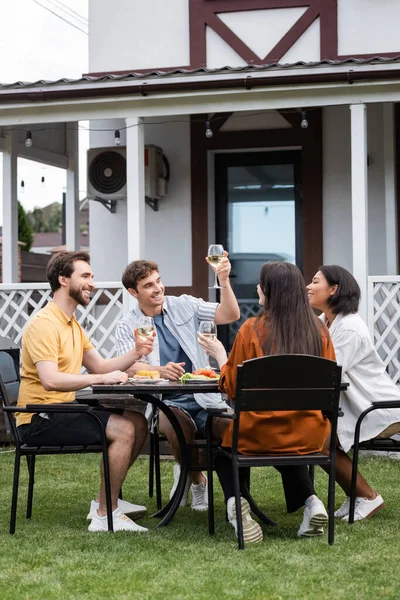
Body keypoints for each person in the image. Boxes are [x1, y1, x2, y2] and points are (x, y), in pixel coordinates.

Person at [16, 251, 155, 533]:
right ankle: (106, 515)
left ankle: (107, 500)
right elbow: (50, 380)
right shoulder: (45, 324)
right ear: (63, 279)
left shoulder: (72, 324)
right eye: (86, 276)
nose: (93, 283)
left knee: (137, 422)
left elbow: (100, 364)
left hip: (62, 411)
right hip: (38, 419)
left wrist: (136, 352)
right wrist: (101, 378)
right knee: (124, 429)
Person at [198, 261, 335, 544]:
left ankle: (236, 506)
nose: (258, 288)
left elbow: (232, 388)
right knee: (286, 442)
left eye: (261, 284)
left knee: (223, 448)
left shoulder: (251, 329)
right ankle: (312, 503)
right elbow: (328, 383)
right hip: (310, 433)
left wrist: (221, 356)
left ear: (270, 291)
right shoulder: (319, 331)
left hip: (257, 433)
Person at [114, 255, 240, 511]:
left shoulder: (185, 305)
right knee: (176, 428)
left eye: (158, 281)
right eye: (148, 285)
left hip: (205, 396)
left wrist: (223, 280)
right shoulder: (128, 325)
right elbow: (127, 365)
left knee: (231, 426)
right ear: (133, 292)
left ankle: (236, 498)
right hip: (166, 401)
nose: (158, 288)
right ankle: (196, 480)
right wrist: (158, 370)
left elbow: (230, 314)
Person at [307, 265, 400, 521]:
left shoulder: (349, 328)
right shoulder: (324, 322)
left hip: (377, 407)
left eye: (315, 281)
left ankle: (368, 497)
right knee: (317, 436)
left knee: (320, 440)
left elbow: (330, 373)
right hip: (353, 406)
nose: (308, 286)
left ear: (334, 289)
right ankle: (356, 495)